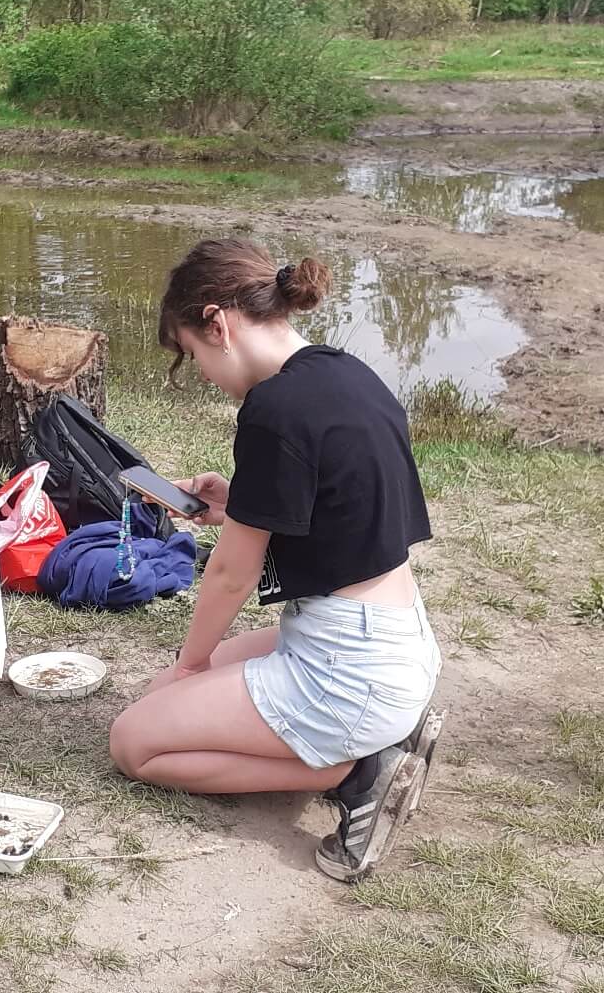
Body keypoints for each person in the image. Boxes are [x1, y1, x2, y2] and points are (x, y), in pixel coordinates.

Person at [107, 238, 445, 884]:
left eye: (195, 353)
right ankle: (373, 738)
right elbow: (338, 509)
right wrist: (236, 508)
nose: (203, 372)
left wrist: (193, 661)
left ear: (219, 322)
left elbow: (232, 574)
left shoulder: (273, 409)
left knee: (135, 741)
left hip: (348, 668)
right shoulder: (344, 372)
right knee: (159, 704)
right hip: (392, 641)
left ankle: (357, 772)